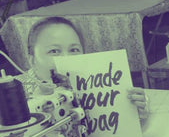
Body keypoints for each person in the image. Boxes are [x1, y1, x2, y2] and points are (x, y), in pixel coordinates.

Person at [16, 16, 148, 120]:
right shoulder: (12, 97)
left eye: (74, 50)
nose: (66, 58)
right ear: (32, 60)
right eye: (54, 51)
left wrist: (132, 111)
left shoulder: (97, 83)